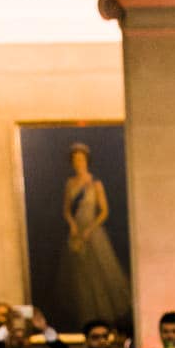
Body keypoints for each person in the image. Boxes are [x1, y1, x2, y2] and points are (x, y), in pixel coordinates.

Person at [52, 141, 133, 329]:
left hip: (93, 233)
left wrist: (90, 228)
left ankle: (104, 320)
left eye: (81, 159)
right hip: (76, 233)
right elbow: (66, 210)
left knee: (101, 275)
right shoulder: (70, 184)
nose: (78, 163)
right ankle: (86, 319)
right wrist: (72, 225)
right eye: (75, 160)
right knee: (81, 278)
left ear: (86, 161)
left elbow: (104, 211)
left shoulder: (96, 184)